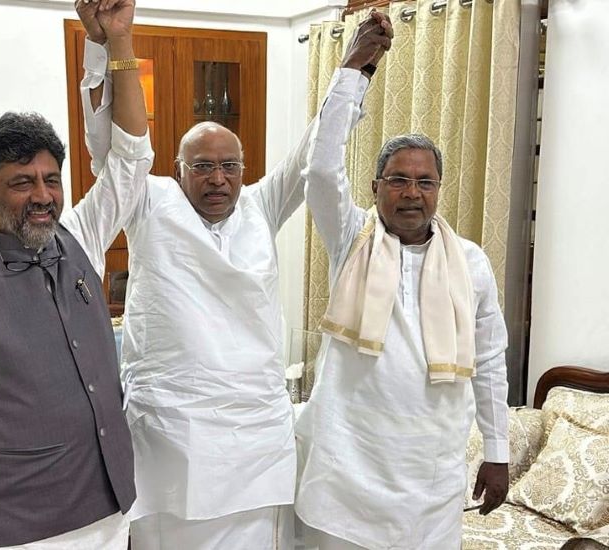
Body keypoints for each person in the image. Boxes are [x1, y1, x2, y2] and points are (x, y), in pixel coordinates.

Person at [75, 3, 395, 549]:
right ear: (178, 170)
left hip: (255, 433)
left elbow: (313, 150)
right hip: (173, 431)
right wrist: (105, 44)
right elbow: (110, 148)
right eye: (202, 166)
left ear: (244, 171)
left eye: (229, 166)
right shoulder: (147, 200)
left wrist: (354, 68)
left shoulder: (260, 205)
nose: (218, 179)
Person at [0, 2, 152, 548]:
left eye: (51, 179)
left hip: (110, 511)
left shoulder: (81, 236)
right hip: (22, 527)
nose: (43, 196)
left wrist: (117, 40)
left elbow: (132, 160)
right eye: (22, 182)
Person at [293, 12, 510, 550]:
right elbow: (320, 170)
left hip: (430, 472)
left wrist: (498, 452)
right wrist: (353, 70)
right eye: (398, 180)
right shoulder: (352, 240)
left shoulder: (471, 262)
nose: (412, 193)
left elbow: (489, 360)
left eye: (425, 182)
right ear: (374, 188)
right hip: (348, 465)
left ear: (438, 190)